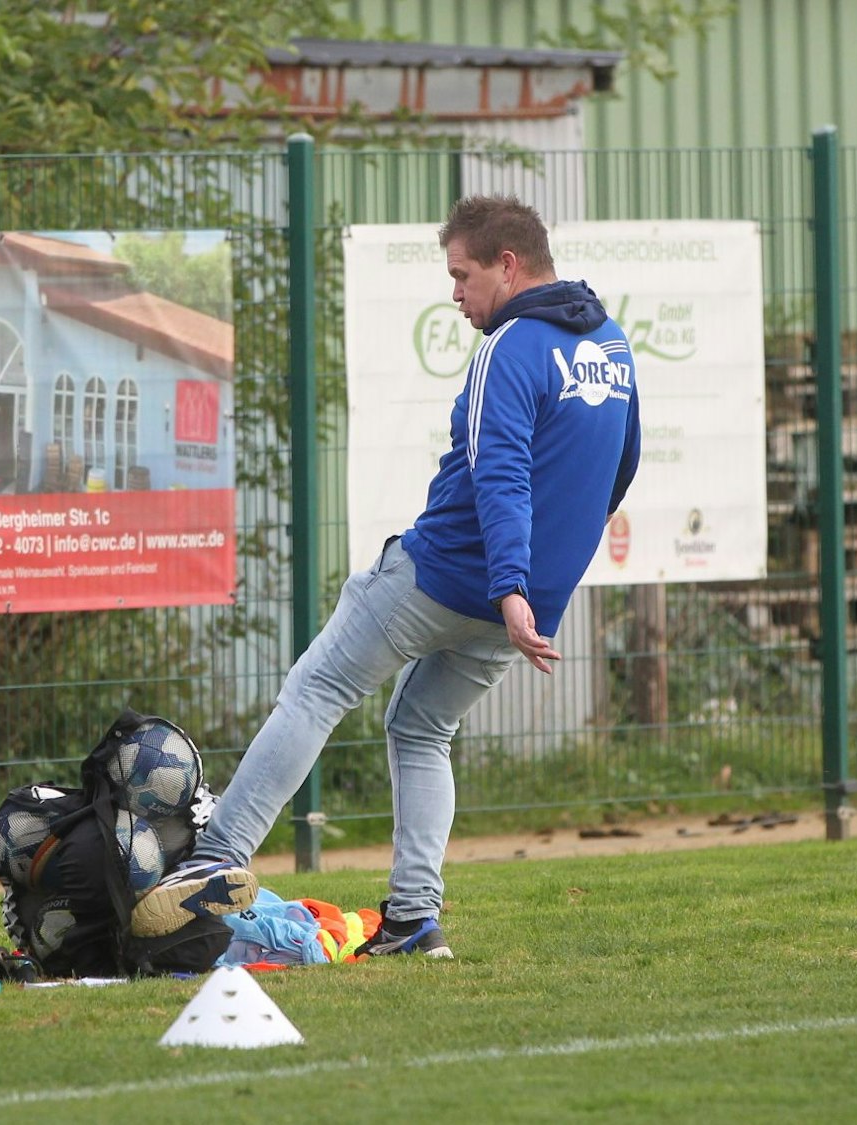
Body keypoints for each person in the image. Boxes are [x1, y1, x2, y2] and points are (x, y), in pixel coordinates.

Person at [140, 196, 642, 957]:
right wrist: (534, 584)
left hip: (443, 577)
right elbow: (622, 463)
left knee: (317, 689)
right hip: (522, 607)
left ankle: (217, 857)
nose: (456, 295)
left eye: (463, 275)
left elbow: (500, 471)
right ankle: (413, 921)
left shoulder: (509, 346)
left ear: (509, 266)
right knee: (421, 727)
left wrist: (507, 580)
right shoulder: (611, 344)